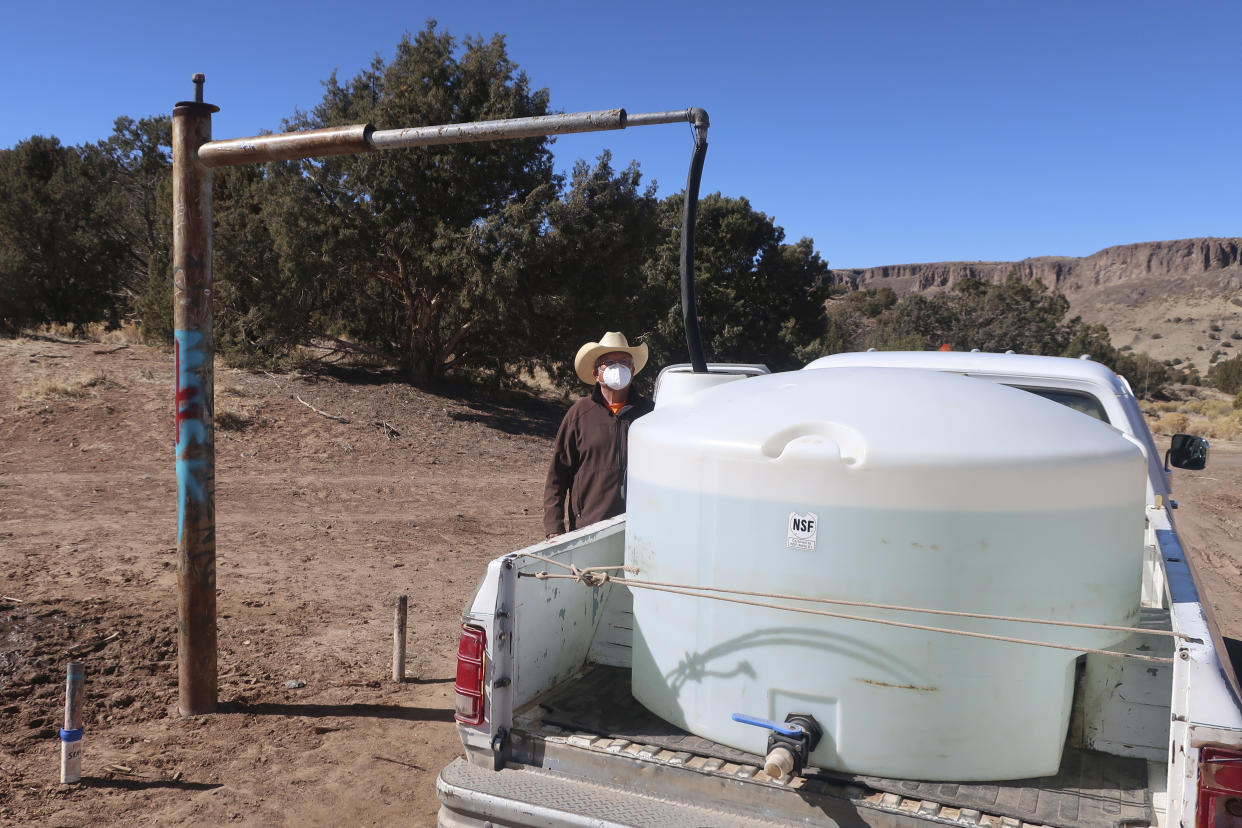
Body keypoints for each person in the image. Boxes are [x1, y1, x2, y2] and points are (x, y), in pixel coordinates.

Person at [544, 331, 654, 538]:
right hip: (588, 527)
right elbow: (557, 476)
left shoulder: (651, 414)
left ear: (633, 370)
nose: (618, 367)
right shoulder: (579, 414)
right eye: (609, 362)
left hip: (642, 526)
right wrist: (553, 528)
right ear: (596, 373)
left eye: (624, 362)